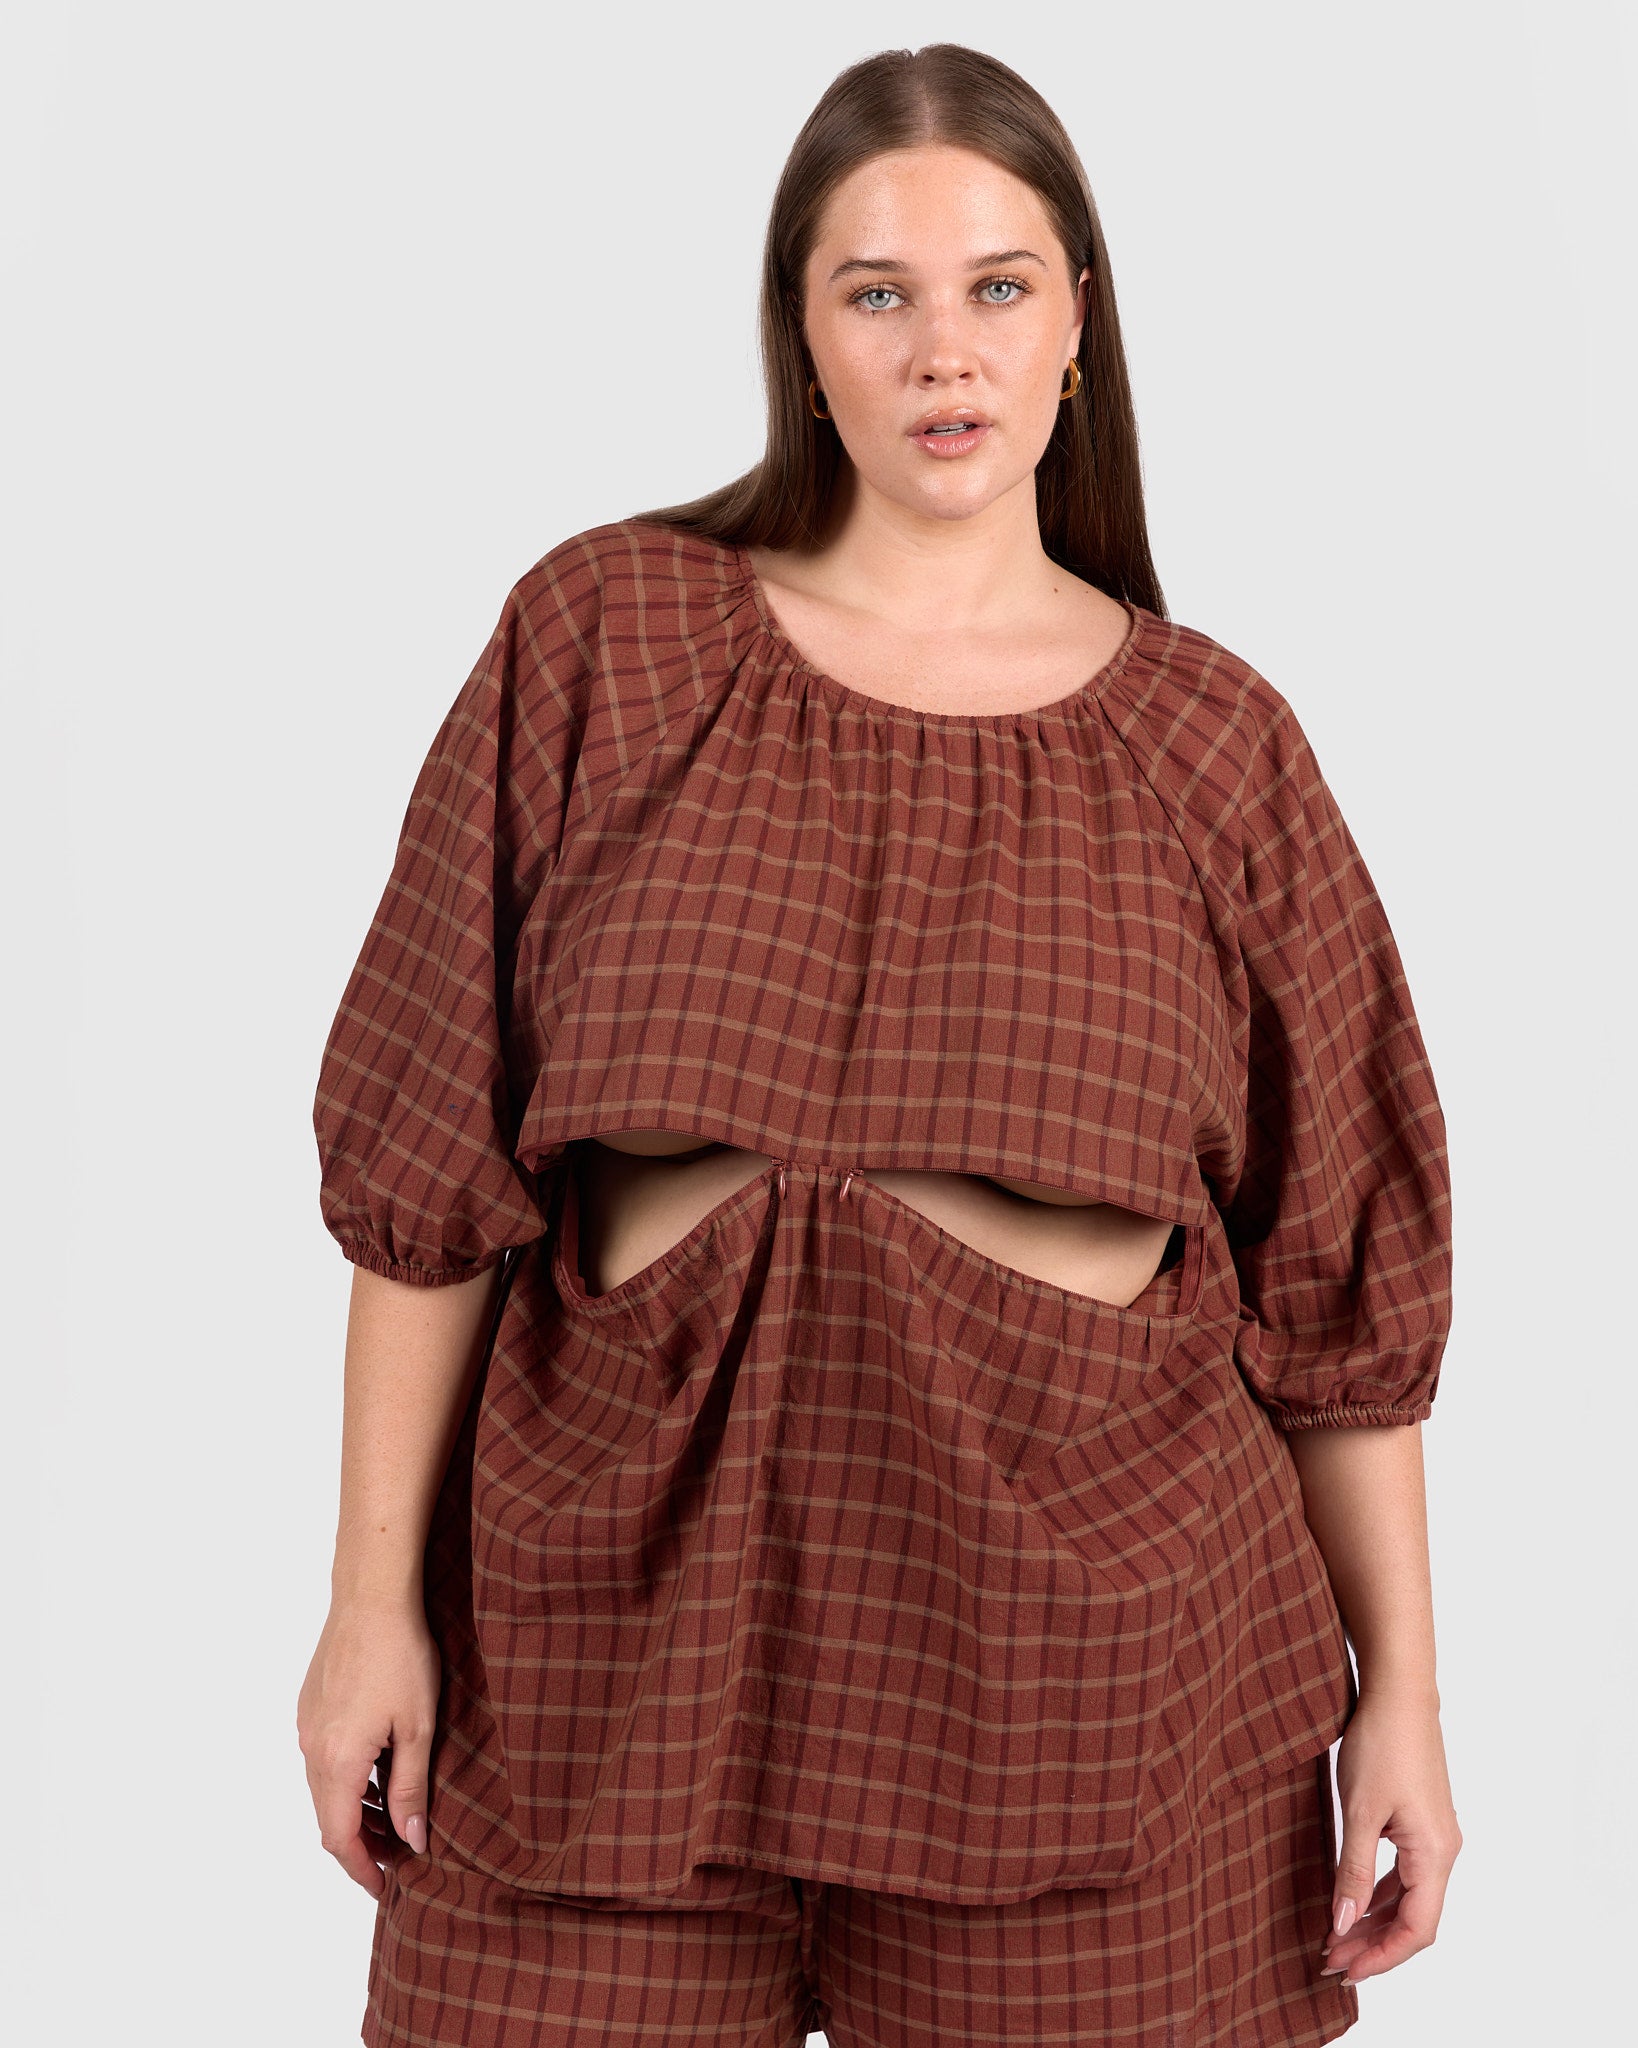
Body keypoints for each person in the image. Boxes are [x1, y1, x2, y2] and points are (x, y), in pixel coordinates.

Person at [297, 40, 1461, 2048]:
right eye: (878, 292)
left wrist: (1408, 1702)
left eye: (998, 286)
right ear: (800, 333)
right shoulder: (604, 640)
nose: (945, 350)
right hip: (603, 1654)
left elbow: (1338, 1286)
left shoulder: (1216, 746)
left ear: (1078, 322)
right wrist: (366, 1605)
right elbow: (427, 1168)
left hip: (1096, 1689)